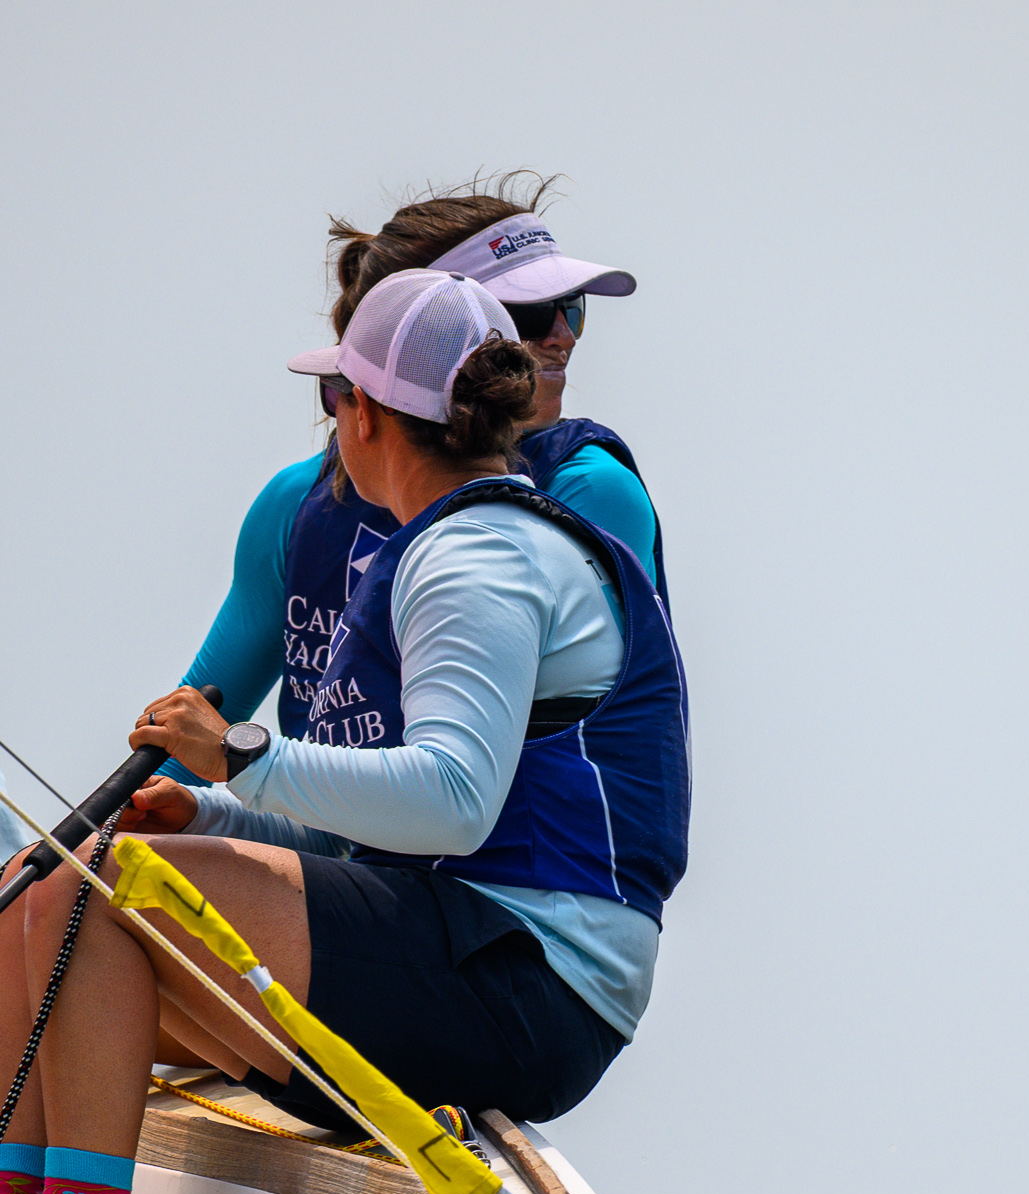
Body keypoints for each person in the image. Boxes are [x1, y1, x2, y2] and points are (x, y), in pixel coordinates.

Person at [0, 272, 688, 1194]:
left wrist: (237, 755)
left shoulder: (478, 554)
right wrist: (214, 816)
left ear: (363, 414)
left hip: (533, 980)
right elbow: (362, 824)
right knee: (39, 899)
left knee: (85, 898)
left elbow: (451, 803)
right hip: (469, 947)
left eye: (335, 399)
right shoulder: (447, 543)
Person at [178, 178, 666, 759]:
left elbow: (458, 785)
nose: (565, 336)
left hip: (482, 822)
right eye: (534, 314)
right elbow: (199, 729)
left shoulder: (589, 490)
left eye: (574, 309)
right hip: (331, 816)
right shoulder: (294, 503)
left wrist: (254, 769)